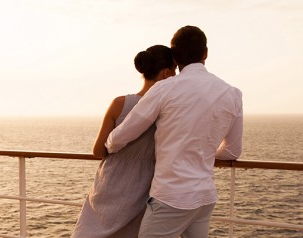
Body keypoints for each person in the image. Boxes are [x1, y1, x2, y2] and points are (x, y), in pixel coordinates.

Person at [105, 25, 243, 238]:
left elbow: (124, 134)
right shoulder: (232, 93)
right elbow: (232, 151)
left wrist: (109, 144)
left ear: (175, 57)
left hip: (171, 197)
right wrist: (202, 153)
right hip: (204, 198)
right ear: (205, 53)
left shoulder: (165, 88)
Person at [72, 45, 177, 238]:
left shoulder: (119, 103)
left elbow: (98, 151)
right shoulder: (169, 111)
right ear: (166, 73)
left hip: (109, 183)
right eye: (175, 71)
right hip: (143, 190)